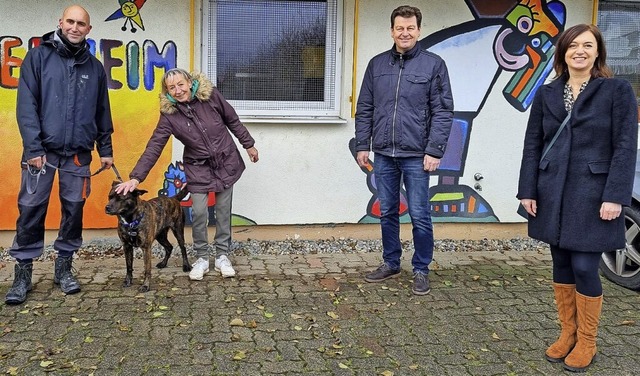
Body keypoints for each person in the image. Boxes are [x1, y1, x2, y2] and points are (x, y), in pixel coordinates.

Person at [517, 24, 638, 372]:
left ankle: (587, 340)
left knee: (585, 264)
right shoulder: (547, 93)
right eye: (573, 46)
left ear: (598, 51)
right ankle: (567, 333)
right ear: (563, 52)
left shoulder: (616, 91)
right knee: (561, 263)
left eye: (587, 45)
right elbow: (532, 145)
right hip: (552, 190)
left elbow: (625, 146)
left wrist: (615, 195)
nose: (580, 51)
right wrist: (528, 189)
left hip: (594, 192)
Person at [5, 5, 115, 305]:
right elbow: (26, 107)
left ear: (89, 30)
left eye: (82, 24)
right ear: (60, 23)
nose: (75, 27)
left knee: (73, 211)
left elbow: (102, 111)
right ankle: (23, 273)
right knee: (30, 210)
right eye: (71, 21)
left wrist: (105, 150)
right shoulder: (38, 57)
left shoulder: (94, 67)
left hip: (78, 156)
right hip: (41, 155)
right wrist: (34, 148)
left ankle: (63, 268)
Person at [116, 68, 258, 281]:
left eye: (181, 84)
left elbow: (232, 120)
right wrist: (137, 177)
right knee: (199, 212)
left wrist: (249, 144)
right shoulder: (169, 114)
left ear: (190, 82)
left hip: (225, 161)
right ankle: (201, 257)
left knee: (223, 210)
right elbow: (155, 145)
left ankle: (222, 256)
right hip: (198, 167)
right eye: (172, 87)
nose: (178, 90)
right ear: (167, 91)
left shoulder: (211, 96)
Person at [354, 5, 454, 295]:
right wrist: (363, 144)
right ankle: (391, 262)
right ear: (392, 31)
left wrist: (434, 150)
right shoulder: (377, 65)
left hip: (417, 155)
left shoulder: (433, 65)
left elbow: (443, 110)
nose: (405, 32)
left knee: (420, 214)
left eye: (410, 28)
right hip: (384, 153)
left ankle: (421, 268)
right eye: (400, 28)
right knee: (387, 212)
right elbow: (365, 108)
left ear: (419, 30)